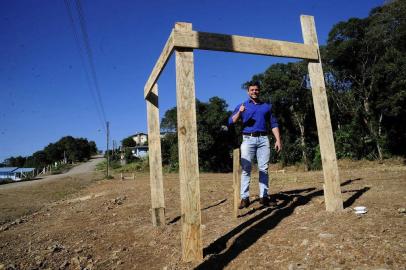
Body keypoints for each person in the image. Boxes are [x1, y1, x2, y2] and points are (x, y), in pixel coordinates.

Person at [229, 81, 282, 208]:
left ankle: (264, 197)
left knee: (264, 169)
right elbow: (231, 121)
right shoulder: (242, 106)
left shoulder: (266, 106)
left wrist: (278, 140)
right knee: (246, 169)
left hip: (263, 139)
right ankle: (244, 198)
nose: (254, 92)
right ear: (248, 92)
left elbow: (274, 124)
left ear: (259, 91)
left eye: (256, 90)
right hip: (248, 139)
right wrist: (239, 113)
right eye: (252, 90)